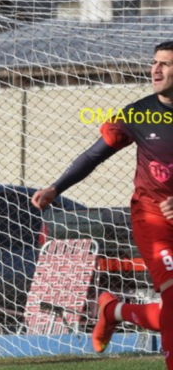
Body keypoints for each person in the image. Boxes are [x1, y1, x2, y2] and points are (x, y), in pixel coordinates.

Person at [31, 40, 173, 363]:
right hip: (153, 220)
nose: (155, 69)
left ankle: (112, 311)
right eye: (154, 62)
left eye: (165, 64)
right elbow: (94, 155)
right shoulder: (139, 113)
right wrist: (56, 188)